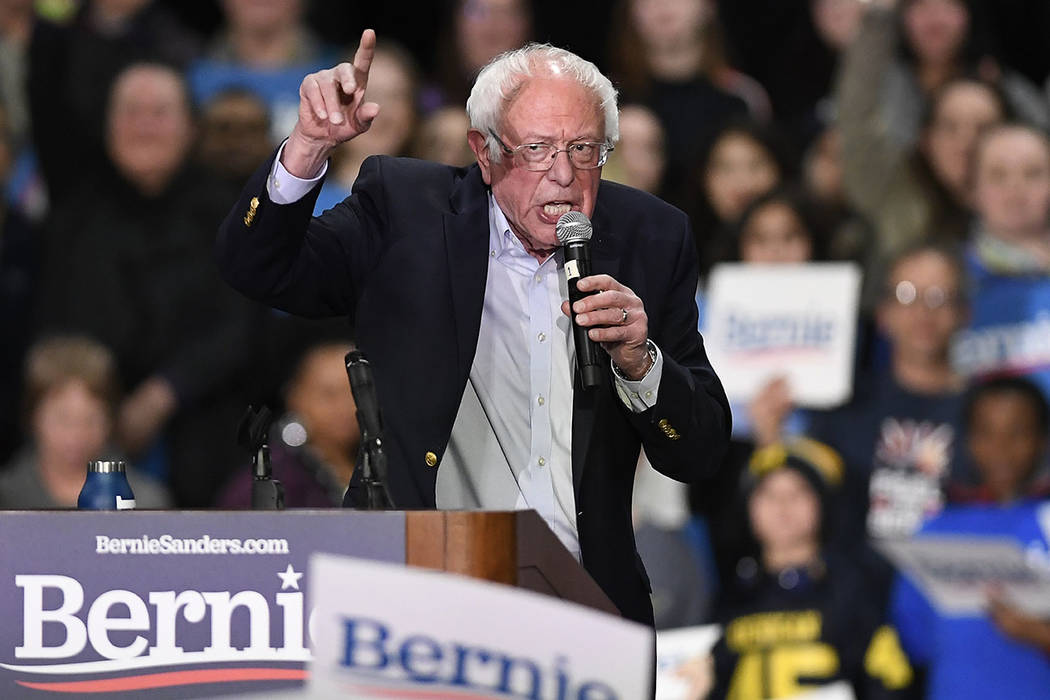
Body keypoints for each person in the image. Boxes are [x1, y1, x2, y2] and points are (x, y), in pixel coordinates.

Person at [215, 30, 731, 626]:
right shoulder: (406, 212)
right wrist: (306, 148)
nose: (563, 174)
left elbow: (701, 448)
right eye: (536, 148)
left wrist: (642, 363)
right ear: (483, 153)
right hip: (419, 598)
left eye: (584, 149)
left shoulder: (652, 236)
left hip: (585, 607)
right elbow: (256, 267)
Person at [37, 62, 254, 507]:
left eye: (160, 112)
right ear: (107, 124)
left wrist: (163, 394)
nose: (144, 125)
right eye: (130, 111)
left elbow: (241, 327)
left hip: (208, 431)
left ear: (191, 127)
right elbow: (51, 328)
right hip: (92, 429)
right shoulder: (74, 218)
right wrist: (100, 399)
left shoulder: (230, 212)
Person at [708, 440, 915, 699]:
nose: (782, 506)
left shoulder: (851, 591)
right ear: (749, 509)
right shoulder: (732, 593)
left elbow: (890, 682)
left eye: (798, 492)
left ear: (822, 505)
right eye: (768, 494)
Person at [890, 377, 1050, 699]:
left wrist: (1039, 634)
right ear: (968, 441)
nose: (1000, 449)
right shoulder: (935, 531)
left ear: (1043, 440)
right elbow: (914, 636)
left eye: (1017, 433)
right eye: (986, 434)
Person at [0, 336, 170, 509]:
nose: (76, 435)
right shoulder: (6, 498)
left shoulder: (144, 500)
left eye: (90, 420)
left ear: (110, 421)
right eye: (63, 419)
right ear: (33, 417)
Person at [951, 124, 1050, 400]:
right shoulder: (946, 280)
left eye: (1033, 173)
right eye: (998, 175)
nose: (1016, 188)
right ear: (972, 189)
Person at [218, 341, 360, 508]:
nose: (345, 406)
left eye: (354, 392)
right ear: (295, 397)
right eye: (329, 395)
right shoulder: (268, 481)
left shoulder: (385, 467)